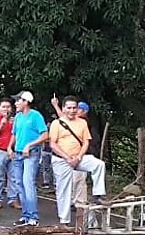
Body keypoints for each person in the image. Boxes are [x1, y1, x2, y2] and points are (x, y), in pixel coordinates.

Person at [49, 95, 109, 226]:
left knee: (98, 164)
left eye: (74, 108)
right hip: (61, 159)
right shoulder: (56, 123)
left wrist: (78, 158)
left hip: (78, 157)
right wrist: (67, 158)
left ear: (78, 108)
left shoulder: (82, 123)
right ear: (63, 109)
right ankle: (64, 221)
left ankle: (98, 195)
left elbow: (86, 142)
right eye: (69, 108)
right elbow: (53, 144)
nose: (72, 110)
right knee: (63, 189)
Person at [9, 91, 49, 227]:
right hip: (18, 153)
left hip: (31, 153)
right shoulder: (18, 117)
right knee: (19, 184)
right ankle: (25, 215)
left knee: (28, 183)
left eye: (18, 101)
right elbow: (14, 134)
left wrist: (29, 145)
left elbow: (45, 135)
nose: (16, 103)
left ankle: (33, 217)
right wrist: (9, 147)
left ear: (25, 101)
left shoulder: (36, 116)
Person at [0, 98, 21, 209]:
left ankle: (12, 199)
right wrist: (2, 124)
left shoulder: (17, 119)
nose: (6, 109)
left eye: (8, 107)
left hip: (13, 151)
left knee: (14, 176)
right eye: (3, 106)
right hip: (0, 150)